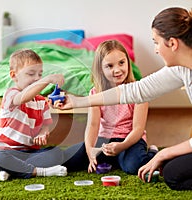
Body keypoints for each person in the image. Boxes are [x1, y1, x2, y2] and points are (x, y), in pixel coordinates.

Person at [54, 7, 192, 190]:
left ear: (172, 43)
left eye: (156, 42)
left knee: (169, 170)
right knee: (173, 173)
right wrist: (77, 102)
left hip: (131, 143)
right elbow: (136, 91)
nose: (156, 50)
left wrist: (162, 154)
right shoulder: (181, 69)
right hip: (109, 142)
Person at [62, 40, 157, 175]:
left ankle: (152, 152)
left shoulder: (139, 91)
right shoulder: (96, 93)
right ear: (100, 69)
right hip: (104, 141)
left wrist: (121, 146)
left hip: (129, 141)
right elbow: (93, 125)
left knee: (135, 166)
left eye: (121, 63)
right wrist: (90, 151)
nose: (117, 70)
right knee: (68, 160)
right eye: (110, 66)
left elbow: (138, 129)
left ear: (128, 63)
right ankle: (114, 159)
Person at [0, 49, 67, 181]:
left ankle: (13, 170)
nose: (37, 78)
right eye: (31, 74)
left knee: (56, 153)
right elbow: (23, 98)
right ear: (14, 76)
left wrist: (43, 133)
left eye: (40, 74)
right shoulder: (11, 94)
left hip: (29, 153)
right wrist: (46, 80)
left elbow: (45, 126)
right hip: (6, 150)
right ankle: (40, 172)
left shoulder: (42, 102)